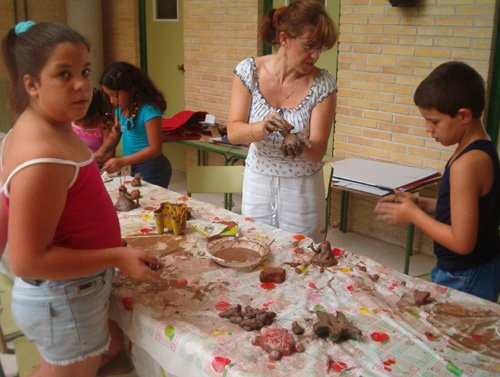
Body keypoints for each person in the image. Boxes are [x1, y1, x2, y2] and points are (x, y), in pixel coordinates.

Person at [1, 21, 162, 376]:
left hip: (71, 293)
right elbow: (27, 261)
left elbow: (7, 207)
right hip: (64, 298)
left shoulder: (38, 128)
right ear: (31, 84)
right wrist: (116, 256)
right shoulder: (41, 156)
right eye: (63, 74)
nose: (82, 85)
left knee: (109, 348)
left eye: (85, 71)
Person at [374, 61, 500, 302]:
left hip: (466, 274)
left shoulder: (468, 163)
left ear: (463, 115)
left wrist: (414, 216)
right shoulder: (478, 146)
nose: (428, 129)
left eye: (434, 121)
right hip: (479, 265)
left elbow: (462, 242)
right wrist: (422, 204)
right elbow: (467, 210)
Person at [227, 0, 338, 242]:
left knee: (302, 256)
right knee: (256, 245)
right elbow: (234, 132)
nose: (316, 55)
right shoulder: (249, 72)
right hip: (259, 182)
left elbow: (317, 151)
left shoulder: (323, 85)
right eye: (309, 46)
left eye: (321, 48)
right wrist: (261, 128)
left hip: (302, 189)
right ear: (285, 38)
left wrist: (299, 143)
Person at [96, 61, 172, 188]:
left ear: (131, 89)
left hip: (153, 168)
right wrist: (101, 151)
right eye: (108, 96)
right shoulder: (120, 110)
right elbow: (115, 134)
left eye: (114, 95)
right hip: (133, 166)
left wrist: (122, 161)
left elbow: (155, 149)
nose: (112, 101)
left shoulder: (149, 111)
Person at [72, 88, 114, 166]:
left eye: (80, 119)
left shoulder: (104, 125)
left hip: (96, 168)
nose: (75, 121)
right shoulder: (69, 124)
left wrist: (90, 162)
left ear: (95, 116)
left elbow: (109, 155)